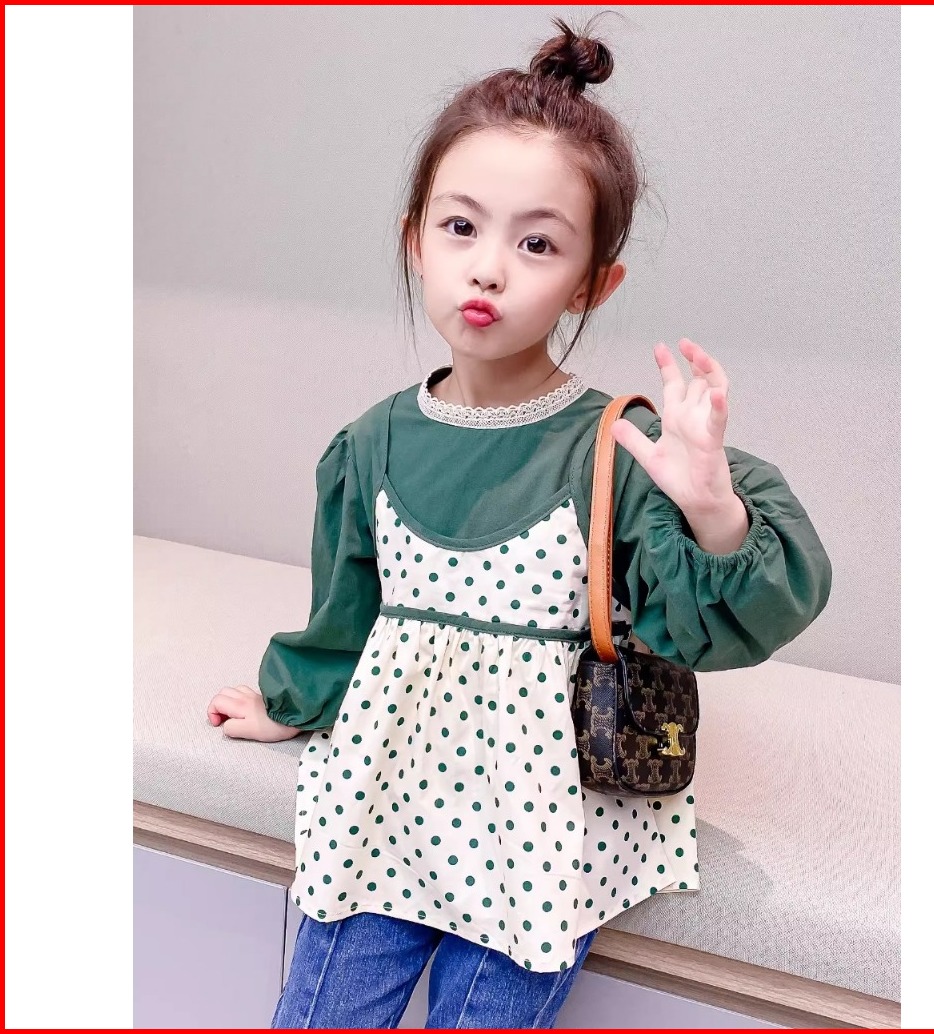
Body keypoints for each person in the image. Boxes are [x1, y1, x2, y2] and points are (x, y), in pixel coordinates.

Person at [206, 16, 833, 1030]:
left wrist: (711, 506)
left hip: (540, 835)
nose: (488, 268)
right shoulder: (371, 442)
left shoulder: (624, 450)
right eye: (460, 228)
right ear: (414, 238)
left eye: (536, 242)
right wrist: (292, 699)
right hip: (386, 800)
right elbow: (345, 612)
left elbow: (753, 606)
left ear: (592, 283)